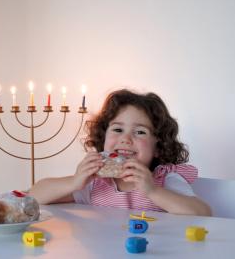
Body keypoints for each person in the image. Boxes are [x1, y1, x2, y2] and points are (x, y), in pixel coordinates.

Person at [29, 89, 211, 216]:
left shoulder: (164, 179)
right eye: (117, 130)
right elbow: (34, 196)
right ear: (103, 137)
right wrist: (74, 182)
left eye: (140, 132)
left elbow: (202, 213)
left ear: (158, 147)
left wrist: (152, 191)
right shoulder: (95, 183)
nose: (126, 139)